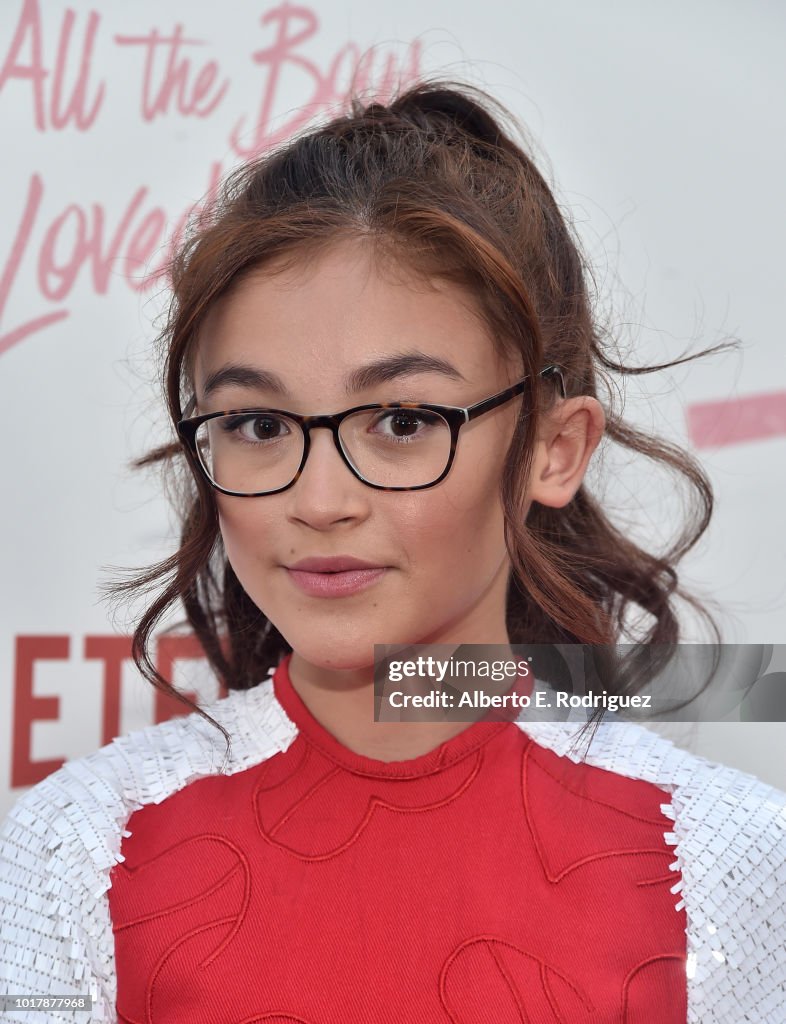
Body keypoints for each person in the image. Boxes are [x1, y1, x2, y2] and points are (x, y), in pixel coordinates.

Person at [1, 77, 784, 1024]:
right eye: (257, 423)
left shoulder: (727, 856)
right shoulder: (76, 849)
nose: (319, 500)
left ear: (553, 446)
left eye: (403, 421)